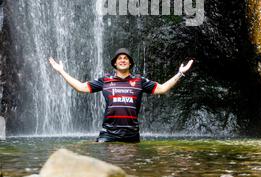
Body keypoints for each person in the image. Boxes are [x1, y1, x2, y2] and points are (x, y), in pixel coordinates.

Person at [48, 48, 193, 143]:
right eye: (119, 58)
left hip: (131, 135)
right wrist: (61, 71)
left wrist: (180, 73)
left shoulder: (139, 81)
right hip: (108, 134)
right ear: (115, 63)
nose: (122, 60)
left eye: (125, 58)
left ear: (130, 63)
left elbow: (162, 89)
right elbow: (80, 87)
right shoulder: (105, 80)